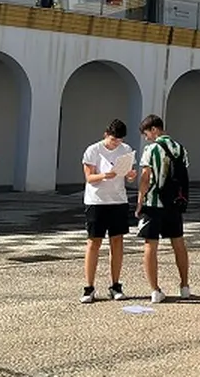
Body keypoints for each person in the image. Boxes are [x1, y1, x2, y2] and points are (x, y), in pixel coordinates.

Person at [136, 114, 191, 304]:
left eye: (146, 134)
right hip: (174, 202)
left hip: (154, 202)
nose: (146, 138)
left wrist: (140, 200)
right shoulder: (180, 148)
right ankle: (184, 286)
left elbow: (145, 176)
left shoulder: (151, 149)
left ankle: (155, 290)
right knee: (178, 242)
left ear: (154, 129)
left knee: (150, 245)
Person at [80, 119, 137, 303]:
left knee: (117, 241)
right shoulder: (93, 150)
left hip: (118, 200)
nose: (116, 144)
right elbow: (89, 177)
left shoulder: (126, 150)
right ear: (106, 135)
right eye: (113, 140)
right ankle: (89, 287)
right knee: (94, 242)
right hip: (97, 200)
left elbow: (129, 175)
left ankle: (115, 285)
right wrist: (105, 175)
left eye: (119, 140)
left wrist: (130, 175)